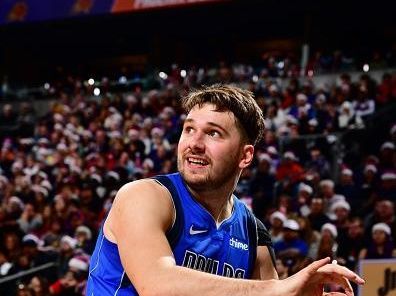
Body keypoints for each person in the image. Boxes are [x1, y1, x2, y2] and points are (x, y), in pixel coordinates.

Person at [86, 84, 364, 295]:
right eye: (189, 129)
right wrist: (277, 289)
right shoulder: (145, 196)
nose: (194, 143)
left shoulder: (253, 232)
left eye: (213, 133)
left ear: (245, 156)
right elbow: (157, 285)